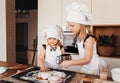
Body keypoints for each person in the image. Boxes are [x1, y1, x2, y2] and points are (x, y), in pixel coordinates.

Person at [59, 2, 106, 75]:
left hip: (93, 69)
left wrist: (70, 63)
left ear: (81, 25)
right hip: (85, 67)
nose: (70, 28)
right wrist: (70, 60)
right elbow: (83, 56)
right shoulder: (79, 37)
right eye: (69, 26)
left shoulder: (89, 39)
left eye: (72, 26)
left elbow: (87, 59)